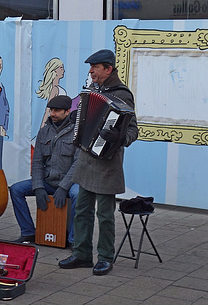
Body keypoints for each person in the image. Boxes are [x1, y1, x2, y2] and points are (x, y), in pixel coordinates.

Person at [59, 49, 138, 276]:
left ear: (108, 69)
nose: (91, 71)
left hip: (106, 163)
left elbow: (133, 129)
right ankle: (82, 254)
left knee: (104, 214)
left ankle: (105, 257)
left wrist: (121, 138)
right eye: (90, 68)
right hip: (86, 160)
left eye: (95, 67)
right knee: (82, 210)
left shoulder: (123, 94)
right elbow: (84, 114)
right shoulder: (93, 90)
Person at [9, 95, 79, 245]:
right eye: (51, 110)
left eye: (57, 110)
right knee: (16, 190)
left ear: (67, 111)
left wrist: (63, 187)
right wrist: (38, 187)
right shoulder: (44, 132)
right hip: (48, 181)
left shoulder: (76, 133)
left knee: (78, 195)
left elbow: (78, 163)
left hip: (69, 183)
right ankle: (28, 233)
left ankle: (74, 240)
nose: (52, 113)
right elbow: (38, 162)